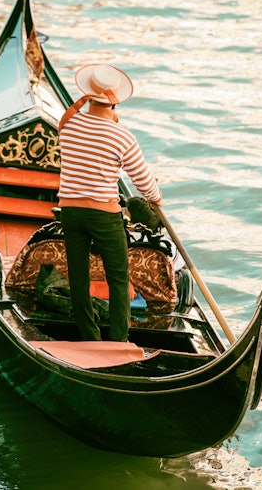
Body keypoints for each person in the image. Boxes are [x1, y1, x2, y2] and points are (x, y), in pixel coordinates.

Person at [58, 63, 163, 342]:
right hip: (103, 215)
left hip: (69, 212)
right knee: (118, 277)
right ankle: (118, 339)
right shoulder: (122, 136)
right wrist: (157, 198)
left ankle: (89, 336)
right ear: (115, 100)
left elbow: (79, 122)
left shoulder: (68, 124)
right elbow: (143, 181)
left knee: (77, 276)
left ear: (88, 93)